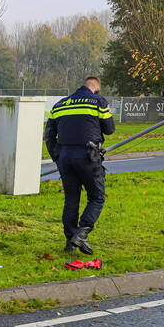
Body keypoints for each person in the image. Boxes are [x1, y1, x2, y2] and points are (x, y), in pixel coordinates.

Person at [44, 76, 115, 255]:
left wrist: (57, 156)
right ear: (96, 89)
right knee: (97, 197)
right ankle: (82, 233)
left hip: (65, 157)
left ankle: (70, 242)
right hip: (88, 156)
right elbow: (110, 129)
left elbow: (49, 135)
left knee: (71, 199)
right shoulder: (98, 101)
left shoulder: (60, 105)